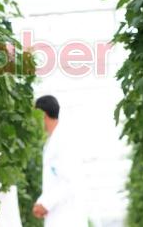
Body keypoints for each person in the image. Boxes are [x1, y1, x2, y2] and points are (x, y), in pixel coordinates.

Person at [32, 95, 88, 226]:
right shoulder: (52, 141)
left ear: (42, 114)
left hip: (67, 217)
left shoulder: (63, 140)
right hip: (59, 216)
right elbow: (54, 181)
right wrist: (41, 202)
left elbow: (69, 180)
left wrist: (45, 204)